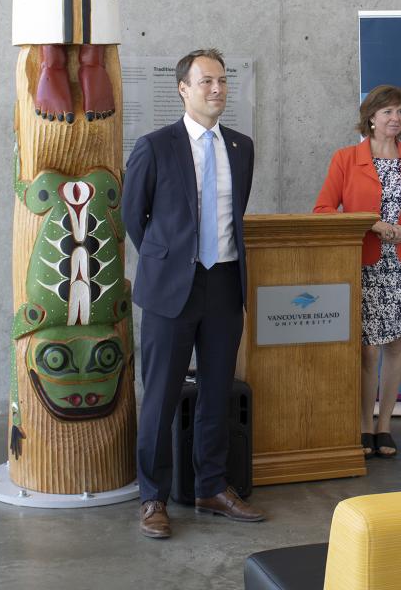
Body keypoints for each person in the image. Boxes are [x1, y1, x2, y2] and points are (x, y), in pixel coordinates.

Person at [122, 48, 263, 540]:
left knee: (217, 391)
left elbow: (235, 212)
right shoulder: (155, 146)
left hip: (224, 282)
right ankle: (153, 498)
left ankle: (212, 487)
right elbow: (133, 216)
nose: (217, 89)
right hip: (171, 288)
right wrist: (168, 259)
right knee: (160, 396)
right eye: (206, 81)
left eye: (222, 80)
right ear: (183, 89)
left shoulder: (241, 147)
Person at [314, 85, 401, 458]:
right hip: (364, 264)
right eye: (387, 112)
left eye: (400, 112)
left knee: (396, 347)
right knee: (368, 351)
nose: (395, 118)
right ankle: (363, 426)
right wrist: (370, 224)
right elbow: (323, 210)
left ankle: (384, 426)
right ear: (370, 117)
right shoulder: (345, 158)